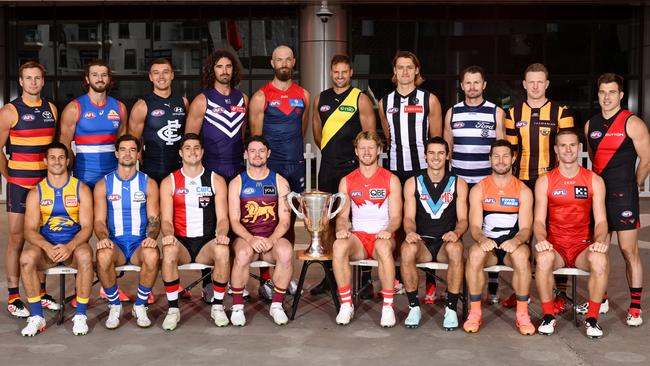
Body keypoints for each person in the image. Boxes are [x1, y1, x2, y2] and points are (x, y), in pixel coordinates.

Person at [504, 63, 574, 310]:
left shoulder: (561, 112)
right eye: (530, 82)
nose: (535, 86)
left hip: (551, 182)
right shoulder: (512, 113)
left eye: (539, 82)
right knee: (522, 237)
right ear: (524, 85)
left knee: (555, 236)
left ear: (546, 84)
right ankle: (519, 290)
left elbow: (567, 150)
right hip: (522, 182)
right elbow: (511, 152)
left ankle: (560, 294)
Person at [584, 73, 650, 327]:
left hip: (624, 196)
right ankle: (601, 299)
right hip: (598, 198)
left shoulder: (633, 123)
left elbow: (645, 161)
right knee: (598, 249)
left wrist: (633, 184)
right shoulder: (591, 125)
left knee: (628, 251)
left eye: (612, 92)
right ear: (598, 94)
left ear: (621, 95)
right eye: (602, 92)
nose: (607, 97)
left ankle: (635, 308)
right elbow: (593, 157)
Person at [309, 54, 376, 297]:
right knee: (325, 225)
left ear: (351, 73)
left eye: (344, 72)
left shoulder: (361, 99)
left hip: (352, 169)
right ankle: (329, 278)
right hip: (328, 168)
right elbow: (318, 135)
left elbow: (369, 137)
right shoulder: (320, 99)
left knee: (359, 222)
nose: (340, 76)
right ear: (331, 72)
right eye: (335, 72)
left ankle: (366, 280)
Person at [534, 129, 609, 338]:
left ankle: (592, 319)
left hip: (582, 246)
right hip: (556, 246)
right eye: (563, 145)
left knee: (600, 260)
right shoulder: (545, 181)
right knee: (543, 259)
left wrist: (600, 240)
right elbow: (539, 221)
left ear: (579, 148)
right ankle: (548, 316)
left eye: (572, 145)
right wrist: (541, 239)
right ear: (556, 150)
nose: (568, 149)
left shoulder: (594, 180)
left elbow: (602, 221)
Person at [0, 61, 58, 317]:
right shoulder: (10, 111)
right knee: (16, 239)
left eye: (37, 78)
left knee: (44, 238)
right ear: (21, 82)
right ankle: (14, 295)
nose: (33, 82)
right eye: (28, 78)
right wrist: (10, 175)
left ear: (42, 81)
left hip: (45, 188)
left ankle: (41, 291)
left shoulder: (52, 109)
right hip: (20, 186)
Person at [443, 65, 505, 304]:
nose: (472, 87)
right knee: (455, 231)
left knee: (490, 232)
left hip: (485, 182)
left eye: (476, 83)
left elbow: (501, 151)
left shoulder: (495, 112)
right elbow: (447, 150)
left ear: (484, 85)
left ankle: (493, 284)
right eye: (467, 83)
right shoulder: (453, 112)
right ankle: (454, 286)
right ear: (462, 86)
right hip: (458, 182)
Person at [19, 142, 93, 336]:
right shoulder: (37, 192)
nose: (57, 161)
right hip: (46, 248)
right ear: (45, 161)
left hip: (73, 246)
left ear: (68, 161)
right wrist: (46, 246)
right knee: (26, 259)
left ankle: (80, 315)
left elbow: (87, 228)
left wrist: (70, 246)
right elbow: (29, 230)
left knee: (85, 256)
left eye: (61, 157)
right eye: (52, 158)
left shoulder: (81, 189)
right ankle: (37, 316)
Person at [463, 139, 535, 335]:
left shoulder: (523, 190)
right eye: (496, 156)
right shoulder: (479, 189)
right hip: (489, 245)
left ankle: (522, 315)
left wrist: (517, 240)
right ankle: (475, 312)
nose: (500, 160)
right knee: (475, 254)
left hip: (513, 245)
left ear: (513, 158)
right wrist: (481, 239)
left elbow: (527, 228)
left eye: (505, 156)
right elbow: (475, 226)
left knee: (521, 257)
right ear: (490, 159)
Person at [159, 133, 231, 330]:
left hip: (206, 242)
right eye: (188, 148)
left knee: (223, 251)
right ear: (181, 152)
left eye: (196, 148)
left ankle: (217, 306)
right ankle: (173, 309)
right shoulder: (169, 181)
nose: (192, 151)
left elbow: (223, 218)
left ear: (202, 152)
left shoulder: (216, 180)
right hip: (181, 241)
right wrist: (168, 235)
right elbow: (165, 220)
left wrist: (222, 233)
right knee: (169, 251)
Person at [332, 131, 402, 327]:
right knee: (338, 246)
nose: (366, 152)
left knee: (382, 247)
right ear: (356, 151)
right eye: (362, 148)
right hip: (359, 239)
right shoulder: (347, 180)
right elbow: (342, 217)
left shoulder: (391, 179)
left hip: (383, 237)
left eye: (371, 147)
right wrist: (341, 228)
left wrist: (389, 230)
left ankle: (387, 306)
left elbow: (396, 217)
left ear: (379, 150)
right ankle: (346, 304)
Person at [400, 137, 467, 330]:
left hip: (446, 241)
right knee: (406, 250)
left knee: (456, 250)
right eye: (431, 153)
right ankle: (414, 306)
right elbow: (408, 218)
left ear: (447, 156)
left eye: (440, 153)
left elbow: (463, 220)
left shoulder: (458, 183)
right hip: (423, 242)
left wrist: (457, 232)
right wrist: (410, 232)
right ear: (425, 156)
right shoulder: (413, 182)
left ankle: (451, 308)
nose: (435, 157)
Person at [94, 135, 160, 329]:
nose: (127, 153)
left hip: (139, 243)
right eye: (123, 149)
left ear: (138, 154)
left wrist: (151, 237)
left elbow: (153, 219)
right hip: (117, 245)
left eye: (132, 150)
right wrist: (104, 238)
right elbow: (99, 221)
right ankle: (115, 305)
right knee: (103, 255)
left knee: (152, 253)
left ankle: (139, 305)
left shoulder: (148, 183)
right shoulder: (103, 184)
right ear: (116, 153)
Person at [228, 135, 293, 326]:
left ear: (268, 153)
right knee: (241, 254)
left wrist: (272, 240)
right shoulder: (237, 183)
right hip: (247, 237)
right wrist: (250, 239)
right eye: (253, 151)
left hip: (271, 238)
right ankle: (238, 307)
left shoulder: (279, 181)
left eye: (261, 151)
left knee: (286, 251)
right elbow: (234, 220)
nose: (257, 155)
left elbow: (285, 221)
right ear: (246, 154)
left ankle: (277, 306)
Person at [249, 45, 309, 244]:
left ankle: (286, 273)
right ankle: (267, 274)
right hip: (272, 167)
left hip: (295, 166)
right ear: (272, 63)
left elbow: (302, 130)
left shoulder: (303, 95)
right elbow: (256, 141)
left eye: (288, 59)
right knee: (265, 220)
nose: (284, 64)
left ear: (293, 62)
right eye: (279, 60)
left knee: (289, 220)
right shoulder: (260, 96)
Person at [59, 59, 127, 189]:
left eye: (104, 75)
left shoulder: (120, 108)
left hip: (114, 177)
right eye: (94, 75)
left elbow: (123, 146)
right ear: (87, 79)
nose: (99, 79)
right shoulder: (73, 108)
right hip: (84, 178)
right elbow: (64, 148)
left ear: (109, 79)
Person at [185, 49, 248, 183]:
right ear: (212, 70)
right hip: (211, 168)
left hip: (238, 167)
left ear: (234, 69)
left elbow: (241, 133)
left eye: (228, 66)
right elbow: (189, 140)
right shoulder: (202, 100)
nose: (224, 71)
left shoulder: (243, 99)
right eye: (219, 66)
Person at [128, 58, 188, 184]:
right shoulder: (142, 105)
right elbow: (132, 143)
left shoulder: (183, 102)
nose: (161, 76)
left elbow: (189, 136)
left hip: (179, 170)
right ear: (150, 77)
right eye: (156, 73)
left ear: (172, 75)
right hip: (152, 171)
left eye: (165, 72)